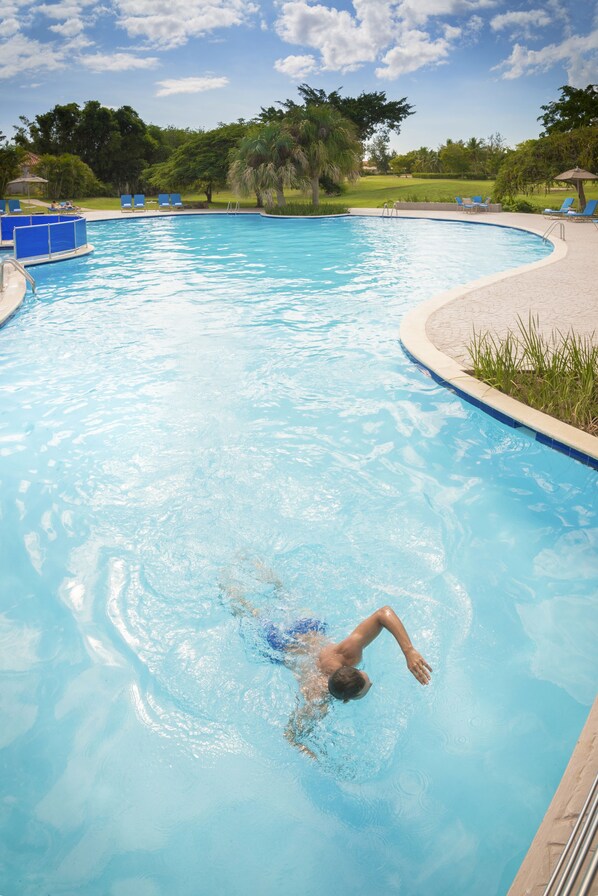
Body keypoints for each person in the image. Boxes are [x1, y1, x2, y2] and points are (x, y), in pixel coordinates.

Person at [220, 566, 432, 758]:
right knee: (253, 610)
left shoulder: (345, 653)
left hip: (304, 629)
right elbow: (291, 735)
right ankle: (231, 588)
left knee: (277, 599)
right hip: (282, 644)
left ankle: (246, 573)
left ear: (351, 669)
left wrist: (409, 651)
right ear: (346, 700)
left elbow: (383, 614)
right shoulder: (317, 698)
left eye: (366, 681)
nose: (370, 681)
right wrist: (311, 753)